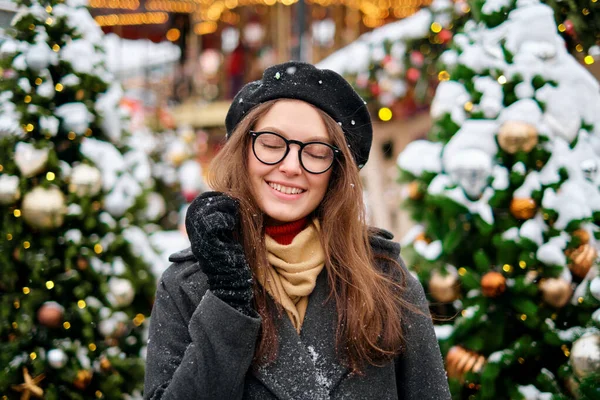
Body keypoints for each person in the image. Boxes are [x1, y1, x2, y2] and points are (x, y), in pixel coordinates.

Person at [143, 61, 450, 400]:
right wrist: (228, 299)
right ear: (243, 152)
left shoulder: (387, 280)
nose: (290, 167)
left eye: (316, 152)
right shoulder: (188, 285)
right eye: (272, 145)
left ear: (335, 171)